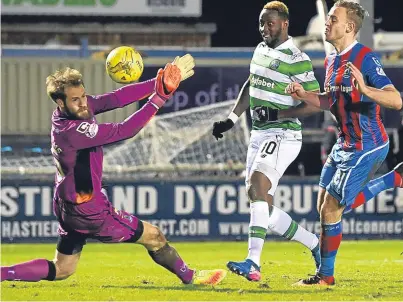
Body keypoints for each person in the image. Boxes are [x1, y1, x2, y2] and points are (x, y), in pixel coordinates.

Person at [1, 58, 227, 286]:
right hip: (89, 209)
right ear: (60, 101)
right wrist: (160, 97)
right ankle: (191, 277)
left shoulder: (65, 114)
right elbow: (125, 129)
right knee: (154, 236)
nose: (83, 104)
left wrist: (157, 82)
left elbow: (116, 98)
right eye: (75, 100)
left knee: (62, 268)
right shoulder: (73, 131)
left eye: (83, 96)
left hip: (66, 204)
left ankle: (3, 273)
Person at [285, 0, 403, 286]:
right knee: (324, 205)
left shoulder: (365, 57)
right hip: (343, 145)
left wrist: (365, 88)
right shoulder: (331, 60)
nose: (326, 22)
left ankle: (325, 277)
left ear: (349, 27)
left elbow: (396, 100)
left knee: (331, 209)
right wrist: (304, 95)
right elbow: (330, 100)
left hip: (367, 144)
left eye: (332, 19)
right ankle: (393, 179)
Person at [212, 1, 322, 282]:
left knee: (257, 186)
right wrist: (232, 119)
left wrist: (279, 112)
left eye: (269, 23)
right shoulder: (260, 50)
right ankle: (314, 243)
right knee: (263, 206)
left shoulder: (298, 59)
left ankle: (253, 262)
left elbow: (315, 103)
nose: (264, 29)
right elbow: (251, 84)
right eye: (261, 23)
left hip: (283, 133)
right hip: (259, 134)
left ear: (284, 24)